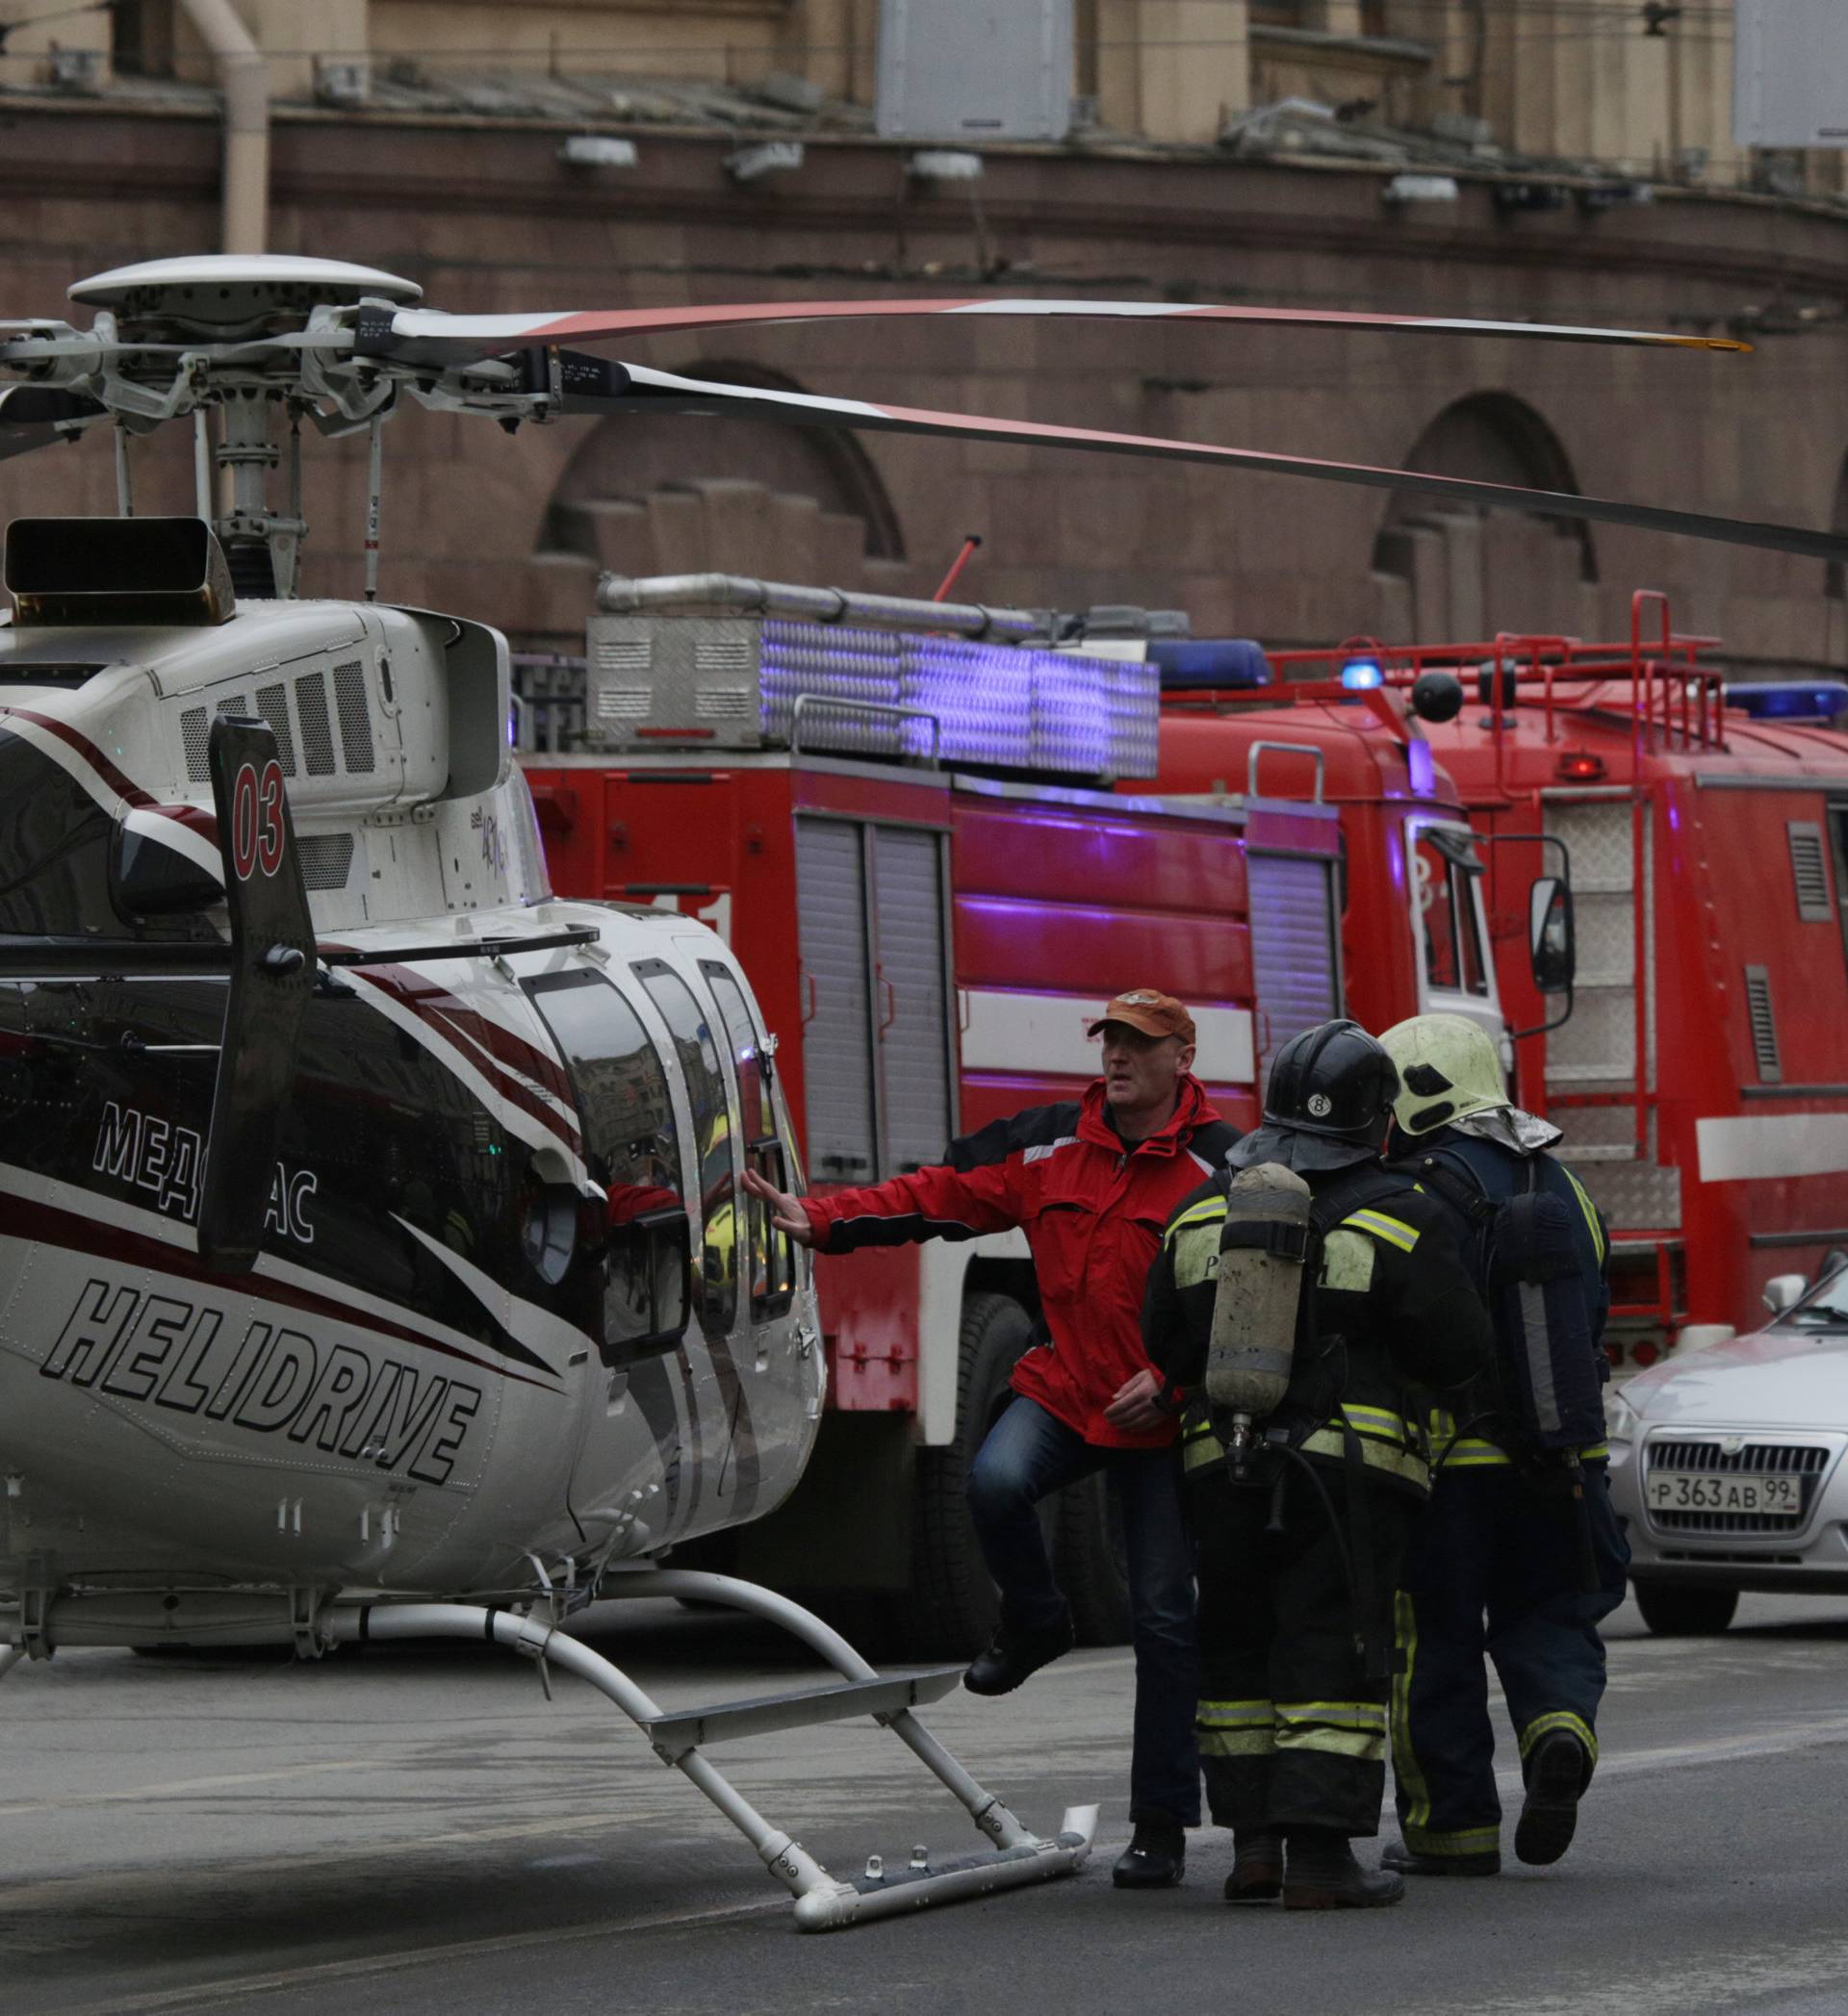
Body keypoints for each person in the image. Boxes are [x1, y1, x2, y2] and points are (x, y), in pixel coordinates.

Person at [743, 987, 1239, 1890]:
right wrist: (822, 1218)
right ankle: (1039, 1620)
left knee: (1166, 1618)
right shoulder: (1050, 1144)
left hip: (1163, 1416)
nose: (1117, 1056)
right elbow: (938, 1195)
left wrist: (1180, 1382)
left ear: (1183, 1055)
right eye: (1110, 1041)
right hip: (1068, 1391)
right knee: (994, 1482)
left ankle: (1161, 1826)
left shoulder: (1226, 1167)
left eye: (1139, 1043)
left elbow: (1258, 1304)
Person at [1142, 1020, 1493, 1910]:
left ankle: (1255, 1850)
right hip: (1348, 1486)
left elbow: (1165, 1346)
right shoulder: (1404, 1216)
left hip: (1218, 1471)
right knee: (1330, 1657)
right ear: (1378, 1119)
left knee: (1236, 1654)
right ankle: (1325, 1861)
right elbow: (1459, 1350)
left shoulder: (1199, 1213)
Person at [1376, 1012, 1628, 1879]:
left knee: (1434, 1638)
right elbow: (1591, 1316)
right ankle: (1558, 1725)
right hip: (1564, 1460)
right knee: (1553, 1612)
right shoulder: (1566, 1187)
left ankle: (1453, 1832)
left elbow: (1398, 1326)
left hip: (1448, 1467)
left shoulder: (1411, 1189)